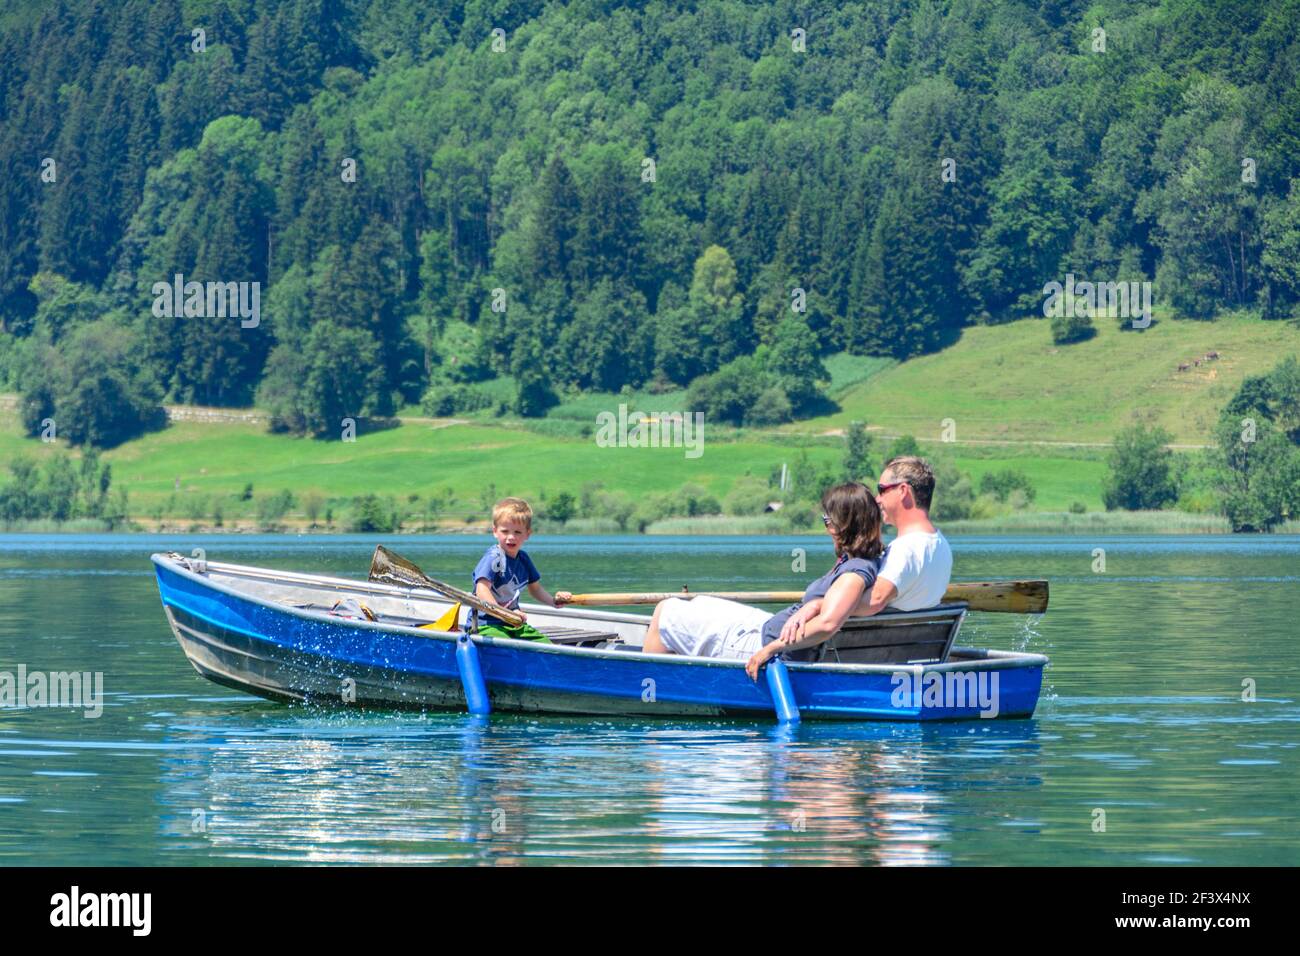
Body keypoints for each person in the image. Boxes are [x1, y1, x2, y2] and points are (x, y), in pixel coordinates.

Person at [642, 482, 885, 679]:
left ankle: (651, 689)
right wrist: (816, 604)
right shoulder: (863, 561)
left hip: (767, 645)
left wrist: (770, 649)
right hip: (768, 628)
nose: (827, 528)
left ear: (845, 526)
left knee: (666, 612)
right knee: (697, 603)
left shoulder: (853, 574)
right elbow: (835, 608)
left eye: (828, 521)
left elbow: (828, 624)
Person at [776, 456, 952, 648]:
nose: (877, 499)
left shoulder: (906, 550)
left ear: (903, 490)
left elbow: (874, 602)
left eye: (882, 490)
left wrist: (817, 604)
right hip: (900, 651)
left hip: (856, 655)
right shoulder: (941, 544)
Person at [471, 497, 572, 641]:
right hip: (486, 624)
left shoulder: (523, 559)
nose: (511, 537)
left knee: (546, 645)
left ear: (527, 534)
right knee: (505, 644)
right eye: (505, 531)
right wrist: (503, 614)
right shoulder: (494, 557)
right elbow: (482, 589)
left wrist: (554, 601)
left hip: (514, 623)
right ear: (495, 531)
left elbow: (535, 589)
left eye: (517, 532)